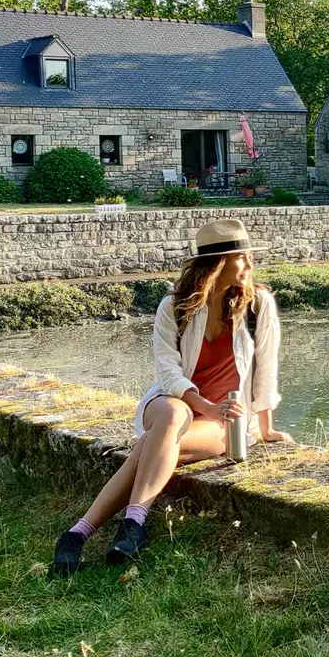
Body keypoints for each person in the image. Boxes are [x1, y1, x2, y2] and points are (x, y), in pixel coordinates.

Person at [51, 219, 292, 575]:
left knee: (153, 444)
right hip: (169, 403)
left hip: (221, 422)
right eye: (241, 258)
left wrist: (265, 427)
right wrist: (206, 404)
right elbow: (168, 374)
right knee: (174, 415)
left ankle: (81, 532)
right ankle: (133, 525)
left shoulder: (259, 306)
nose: (249, 265)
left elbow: (265, 371)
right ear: (217, 264)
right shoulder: (174, 307)